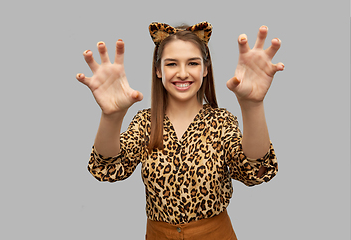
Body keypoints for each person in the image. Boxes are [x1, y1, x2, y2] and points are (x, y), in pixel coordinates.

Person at [76, 21, 284, 240]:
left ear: (205, 69)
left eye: (193, 63)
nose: (183, 73)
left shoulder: (221, 121)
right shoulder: (144, 122)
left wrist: (253, 105)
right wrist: (111, 116)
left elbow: (254, 170)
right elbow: (109, 166)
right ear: (158, 70)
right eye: (172, 64)